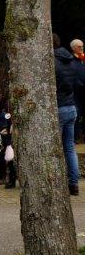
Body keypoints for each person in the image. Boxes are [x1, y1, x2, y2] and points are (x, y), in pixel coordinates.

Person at [54, 34, 83, 195]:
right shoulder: (71, 61)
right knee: (70, 148)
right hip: (71, 107)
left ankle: (56, 182)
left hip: (58, 108)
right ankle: (74, 184)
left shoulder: (52, 62)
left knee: (55, 148)